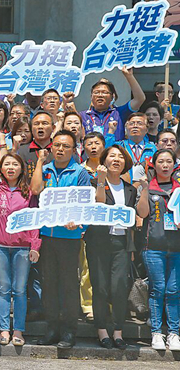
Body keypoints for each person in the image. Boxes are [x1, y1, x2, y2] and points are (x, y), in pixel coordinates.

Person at [31, 130, 91, 349]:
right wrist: (40, 162)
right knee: (49, 284)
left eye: (66, 146)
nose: (60, 149)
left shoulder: (80, 172)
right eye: (56, 145)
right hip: (47, 235)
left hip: (69, 237)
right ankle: (52, 329)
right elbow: (35, 190)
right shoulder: (45, 169)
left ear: (74, 150)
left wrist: (79, 222)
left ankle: (68, 331)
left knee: (68, 285)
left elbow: (86, 203)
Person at [86, 145, 149, 350]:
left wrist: (144, 189)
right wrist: (101, 181)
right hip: (99, 242)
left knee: (119, 287)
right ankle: (101, 330)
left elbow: (140, 214)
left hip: (122, 243)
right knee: (100, 287)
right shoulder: (94, 183)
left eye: (120, 157)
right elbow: (99, 205)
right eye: (112, 156)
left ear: (125, 163)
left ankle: (118, 331)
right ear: (104, 160)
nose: (116, 159)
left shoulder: (130, 189)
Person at [0, 153, 40, 347]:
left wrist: (35, 245)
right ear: (1, 168)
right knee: (3, 289)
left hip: (22, 247)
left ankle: (18, 330)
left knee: (20, 290)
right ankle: (4, 329)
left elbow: (34, 219)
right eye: (6, 164)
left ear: (21, 168)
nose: (10, 168)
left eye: (15, 164)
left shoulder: (28, 191)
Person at [142, 148, 180, 351]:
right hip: (153, 248)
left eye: (169, 162)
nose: (165, 165)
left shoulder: (179, 189)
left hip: (177, 248)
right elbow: (141, 213)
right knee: (158, 289)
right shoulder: (149, 188)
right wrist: (143, 190)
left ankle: (174, 333)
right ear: (154, 165)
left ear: (175, 165)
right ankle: (156, 332)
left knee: (174, 290)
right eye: (161, 162)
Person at [79, 67, 146, 141]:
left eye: (104, 92)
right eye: (96, 92)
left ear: (112, 97)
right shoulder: (82, 116)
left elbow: (139, 99)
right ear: (91, 97)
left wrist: (129, 76)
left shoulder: (119, 113)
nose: (100, 95)